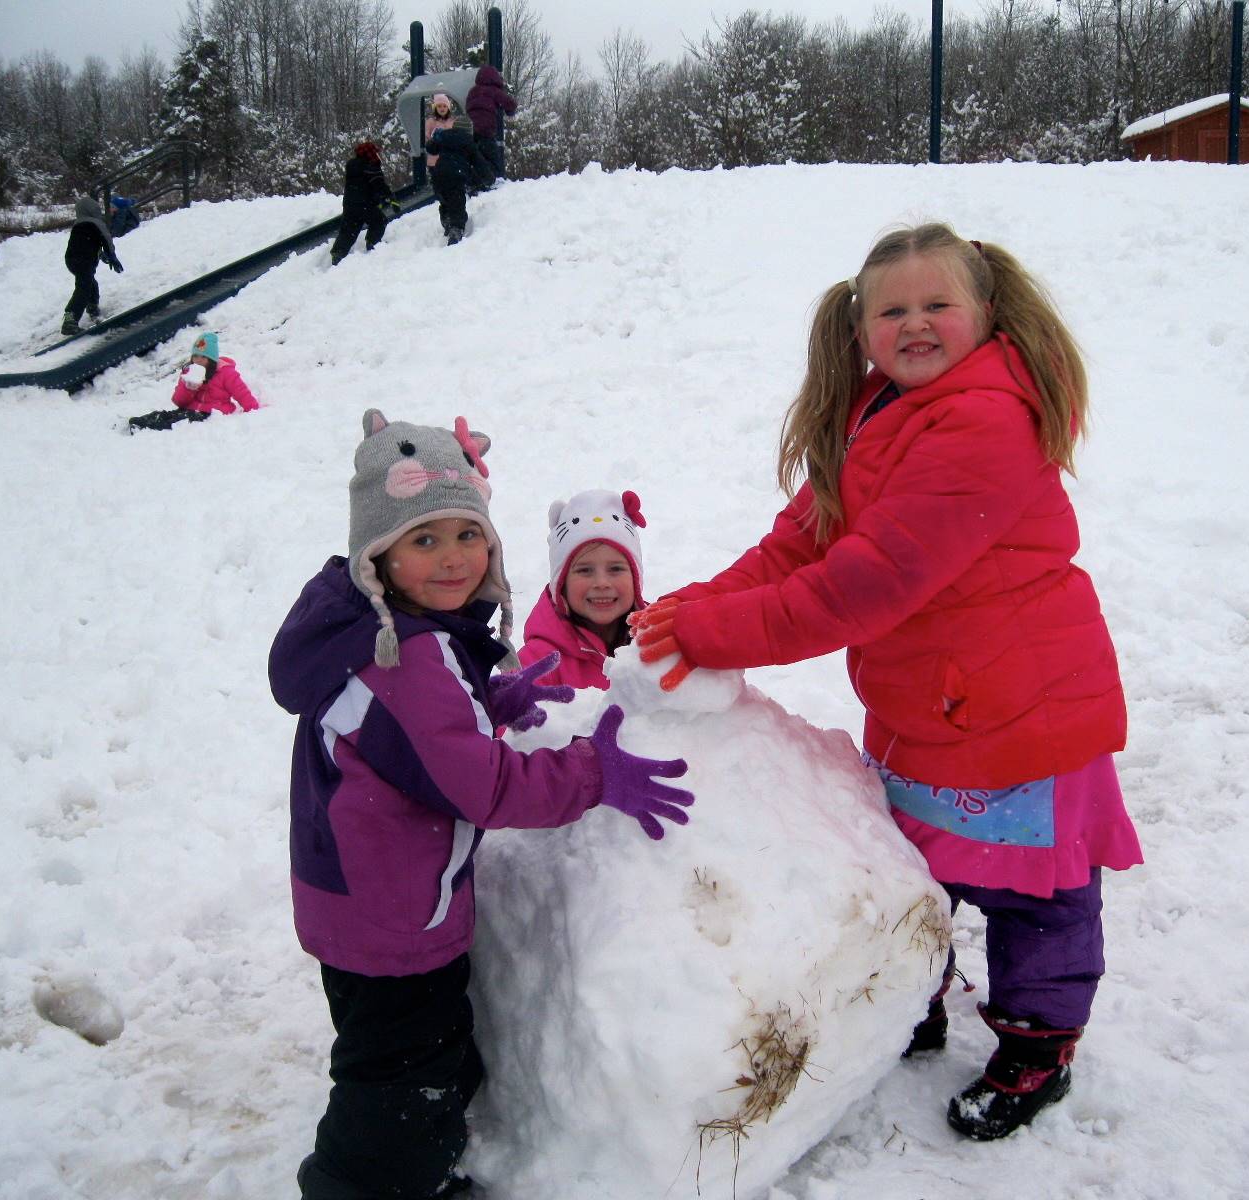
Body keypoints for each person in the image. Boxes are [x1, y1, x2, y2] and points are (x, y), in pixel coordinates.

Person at [629, 223, 1143, 1141]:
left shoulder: (989, 418)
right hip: (934, 706)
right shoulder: (879, 410)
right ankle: (915, 999)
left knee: (1037, 896)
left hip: (1025, 710)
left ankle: (1038, 1044)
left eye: (937, 305)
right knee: (919, 872)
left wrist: (712, 632)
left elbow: (867, 582)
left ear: (985, 315)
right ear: (860, 329)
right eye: (892, 310)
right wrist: (696, 605)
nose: (916, 324)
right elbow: (806, 539)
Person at [268, 410, 694, 1200]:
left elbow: (405, 735)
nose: (453, 559)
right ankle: (362, 1183)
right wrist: (593, 773)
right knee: (396, 1080)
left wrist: (488, 695)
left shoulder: (371, 628)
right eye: (423, 541)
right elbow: (486, 787)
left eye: (467, 535)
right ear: (378, 554)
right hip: (395, 918)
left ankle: (418, 1158)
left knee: (412, 1050)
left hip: (357, 897)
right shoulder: (413, 657)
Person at [519, 490, 648, 690]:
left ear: (635, 578)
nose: (601, 582)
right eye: (585, 570)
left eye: (615, 569)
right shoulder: (539, 662)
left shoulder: (657, 640)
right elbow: (508, 715)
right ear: (561, 583)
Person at [126, 332, 258, 432]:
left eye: (203, 357)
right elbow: (178, 402)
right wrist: (188, 387)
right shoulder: (189, 371)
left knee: (178, 421)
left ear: (211, 359)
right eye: (195, 356)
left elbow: (242, 392)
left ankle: (148, 429)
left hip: (212, 413)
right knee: (168, 415)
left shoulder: (226, 373)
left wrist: (254, 412)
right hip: (190, 409)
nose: (198, 360)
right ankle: (142, 422)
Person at [62, 196, 124, 335]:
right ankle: (70, 319)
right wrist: (112, 256)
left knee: (89, 282)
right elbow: (106, 239)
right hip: (85, 260)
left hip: (71, 260)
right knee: (83, 288)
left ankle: (92, 306)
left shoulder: (78, 224)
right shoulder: (96, 222)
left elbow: (86, 243)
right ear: (93, 210)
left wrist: (101, 254)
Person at [426, 115, 491, 245]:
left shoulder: (444, 137)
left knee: (444, 200)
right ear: (469, 131)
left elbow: (431, 149)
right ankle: (455, 228)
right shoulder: (468, 143)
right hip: (456, 176)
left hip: (438, 174)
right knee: (457, 204)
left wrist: (434, 141)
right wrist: (488, 178)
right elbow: (479, 163)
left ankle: (446, 221)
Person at [330, 140, 392, 265]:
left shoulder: (351, 165)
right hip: (365, 204)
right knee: (379, 221)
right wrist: (391, 197)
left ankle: (338, 254)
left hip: (349, 204)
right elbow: (379, 184)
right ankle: (372, 244)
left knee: (348, 230)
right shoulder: (371, 166)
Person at [466, 64, 517, 180]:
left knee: (477, 158)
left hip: (472, 130)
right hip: (486, 129)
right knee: (493, 159)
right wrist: (510, 111)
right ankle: (495, 179)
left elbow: (467, 106)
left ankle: (475, 180)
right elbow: (510, 103)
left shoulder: (473, 91)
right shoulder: (493, 91)